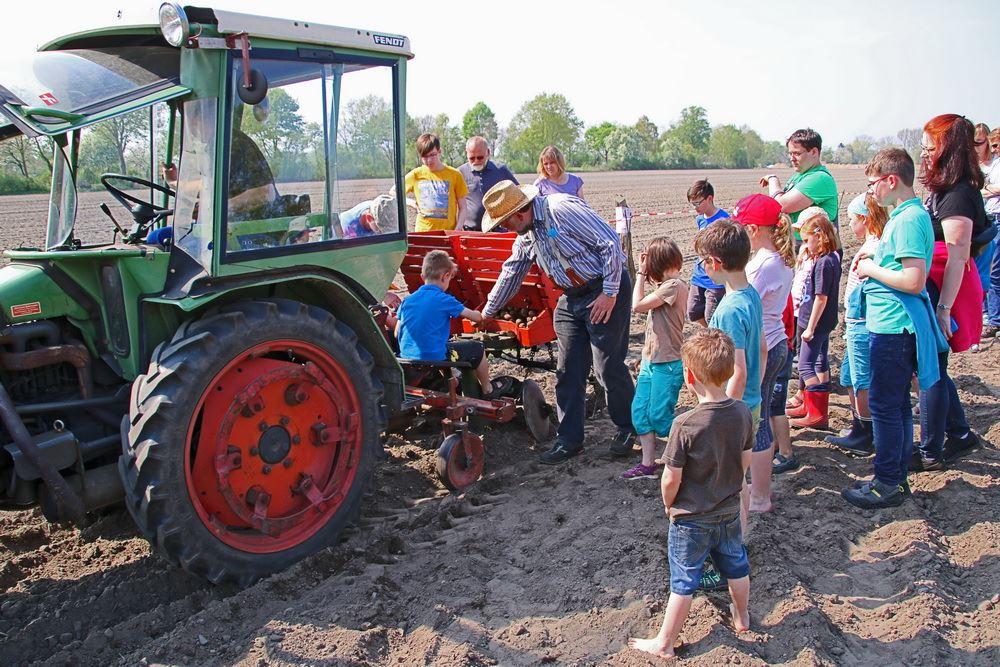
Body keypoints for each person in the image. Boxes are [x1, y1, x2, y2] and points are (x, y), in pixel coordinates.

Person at [480, 180, 635, 464]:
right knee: (568, 370)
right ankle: (569, 440)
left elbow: (610, 244)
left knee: (607, 366)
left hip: (604, 288)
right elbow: (512, 271)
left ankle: (627, 427)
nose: (504, 228)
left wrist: (610, 293)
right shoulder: (527, 234)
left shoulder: (562, 209)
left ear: (519, 213)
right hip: (571, 296)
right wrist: (488, 311)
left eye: (504, 223)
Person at [627, 329, 753, 659]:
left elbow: (671, 477)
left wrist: (669, 503)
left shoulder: (685, 424)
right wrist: (735, 486)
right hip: (727, 509)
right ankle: (742, 616)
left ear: (688, 375)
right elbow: (745, 457)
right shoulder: (741, 412)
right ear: (728, 371)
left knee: (683, 579)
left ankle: (665, 642)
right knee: (737, 564)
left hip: (691, 517)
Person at [842, 148, 945, 509]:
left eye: (873, 184)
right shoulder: (906, 216)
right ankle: (895, 474)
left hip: (893, 328)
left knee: (886, 406)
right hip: (891, 325)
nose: (871, 193)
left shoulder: (905, 220)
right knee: (896, 405)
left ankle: (887, 481)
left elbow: (914, 280)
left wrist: (870, 270)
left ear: (891, 180)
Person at [914, 114, 989, 470]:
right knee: (935, 368)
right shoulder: (947, 188)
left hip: (948, 291)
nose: (926, 151)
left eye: (931, 145)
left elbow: (957, 257)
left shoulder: (959, 194)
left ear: (949, 148)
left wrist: (943, 309)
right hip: (938, 286)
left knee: (931, 367)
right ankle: (959, 434)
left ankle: (932, 449)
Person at [696, 220, 764, 537]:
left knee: (729, 483)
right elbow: (762, 350)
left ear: (716, 263)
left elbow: (738, 369)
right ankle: (743, 536)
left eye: (703, 261)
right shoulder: (751, 295)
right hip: (752, 403)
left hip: (735, 410)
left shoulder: (728, 311)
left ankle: (735, 543)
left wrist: (725, 412)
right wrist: (753, 395)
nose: (703, 267)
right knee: (740, 478)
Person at [732, 194, 794, 513]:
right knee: (762, 417)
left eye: (742, 227)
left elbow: (746, 308)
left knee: (757, 421)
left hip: (764, 348)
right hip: (774, 341)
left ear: (754, 229)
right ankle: (759, 487)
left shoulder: (763, 265)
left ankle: (759, 495)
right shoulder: (777, 258)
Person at [826, 193, 888, 455]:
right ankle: (858, 425)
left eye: (852, 220)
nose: (849, 225)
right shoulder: (870, 244)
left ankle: (866, 434)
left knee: (862, 379)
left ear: (864, 218)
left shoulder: (875, 248)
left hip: (863, 323)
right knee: (851, 376)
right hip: (854, 323)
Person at [621, 238, 688, 480]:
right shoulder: (667, 286)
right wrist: (643, 355)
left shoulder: (674, 286)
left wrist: (639, 273)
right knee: (640, 413)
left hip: (668, 364)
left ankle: (695, 448)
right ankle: (648, 464)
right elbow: (655, 326)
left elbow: (637, 305)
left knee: (661, 417)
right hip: (652, 361)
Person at [395, 250, 495, 396]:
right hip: (433, 357)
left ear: (423, 276)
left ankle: (452, 380)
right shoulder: (444, 299)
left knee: (440, 345)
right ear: (445, 276)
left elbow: (397, 332)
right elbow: (476, 318)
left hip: (406, 358)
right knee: (477, 348)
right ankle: (488, 389)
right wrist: (482, 314)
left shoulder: (407, 300)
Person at [788, 208, 841, 429]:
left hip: (814, 321)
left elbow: (821, 297)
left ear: (819, 237)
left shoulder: (823, 263)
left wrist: (810, 327)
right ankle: (810, 407)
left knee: (804, 365)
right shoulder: (830, 258)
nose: (805, 244)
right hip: (818, 320)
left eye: (807, 239)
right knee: (814, 360)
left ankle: (818, 413)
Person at [760, 128, 839, 236]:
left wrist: (773, 180)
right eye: (790, 153)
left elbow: (779, 206)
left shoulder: (820, 178)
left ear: (814, 152)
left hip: (814, 249)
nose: (792, 158)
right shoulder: (799, 176)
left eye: (797, 153)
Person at [686, 180, 731, 326]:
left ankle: (714, 339)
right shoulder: (700, 220)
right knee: (693, 312)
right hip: (698, 275)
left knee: (711, 316)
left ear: (710, 199)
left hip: (715, 279)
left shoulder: (723, 220)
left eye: (698, 203)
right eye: (693, 204)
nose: (695, 208)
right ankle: (710, 334)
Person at [404, 133, 468, 232]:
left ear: (439, 151)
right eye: (424, 157)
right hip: (423, 233)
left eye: (432, 155)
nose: (429, 160)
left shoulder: (455, 175)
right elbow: (394, 192)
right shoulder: (416, 174)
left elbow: (463, 207)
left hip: (448, 233)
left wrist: (458, 229)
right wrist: (412, 203)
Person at [458, 136, 518, 231]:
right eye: (472, 158)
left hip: (498, 230)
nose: (476, 161)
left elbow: (517, 194)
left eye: (480, 157)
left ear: (488, 152)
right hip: (470, 231)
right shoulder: (460, 173)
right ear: (467, 154)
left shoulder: (500, 170)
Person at [981, 127, 1000, 337]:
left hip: (997, 218)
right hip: (991, 219)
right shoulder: (992, 165)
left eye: (996, 145)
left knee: (994, 272)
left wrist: (988, 189)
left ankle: (994, 319)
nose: (994, 150)